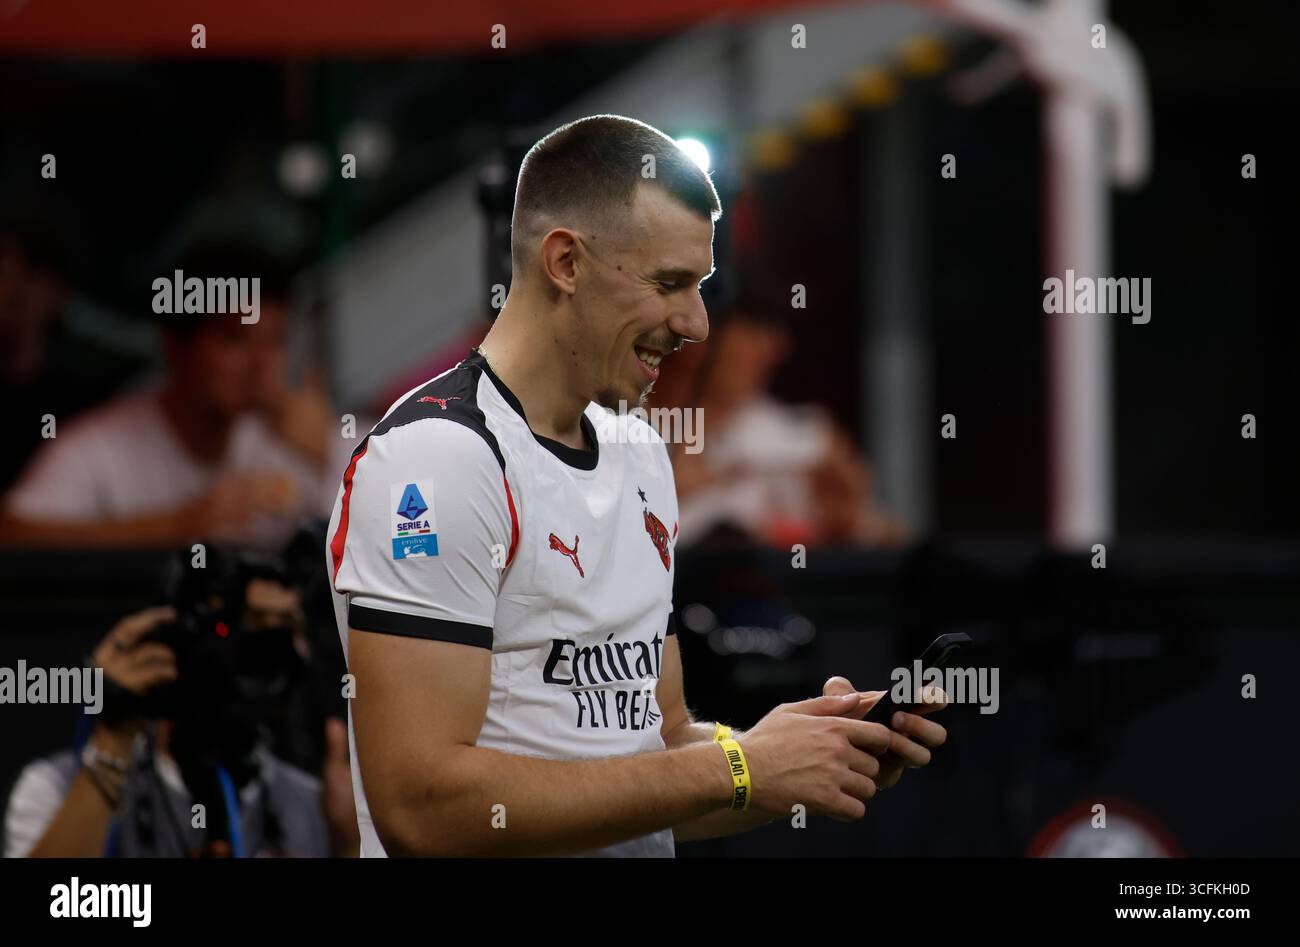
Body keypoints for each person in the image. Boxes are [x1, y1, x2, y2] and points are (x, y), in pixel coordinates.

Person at [328, 114, 949, 858]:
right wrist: (741, 766)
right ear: (565, 261)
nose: (696, 323)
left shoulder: (640, 452)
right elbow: (422, 806)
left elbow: (654, 758)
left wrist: (797, 752)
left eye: (702, 286)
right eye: (670, 283)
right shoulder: (437, 460)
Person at [0, 244, 349, 552]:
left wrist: (327, 455)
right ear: (176, 348)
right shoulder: (102, 445)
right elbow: (14, 533)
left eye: (275, 341)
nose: (261, 364)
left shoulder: (299, 436)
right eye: (236, 339)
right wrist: (177, 527)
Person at [3, 570, 359, 858]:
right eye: (243, 630)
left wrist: (350, 846)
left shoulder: (319, 808)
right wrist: (112, 739)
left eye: (280, 631)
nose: (259, 655)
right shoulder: (54, 788)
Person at [649, 307, 908, 549]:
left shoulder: (799, 438)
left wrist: (848, 522)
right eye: (755, 327)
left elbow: (888, 536)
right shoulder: (622, 428)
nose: (776, 347)